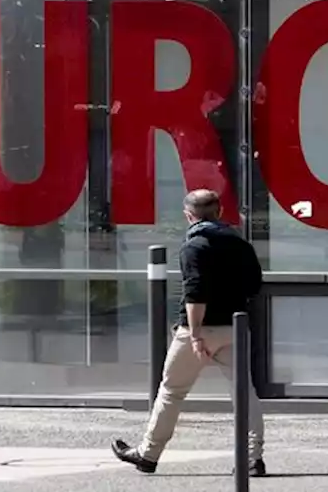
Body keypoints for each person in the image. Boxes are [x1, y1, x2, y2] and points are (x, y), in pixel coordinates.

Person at [111, 189, 266, 476]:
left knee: (172, 390)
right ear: (219, 212)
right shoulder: (239, 242)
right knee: (244, 392)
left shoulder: (195, 246)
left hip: (200, 329)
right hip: (236, 327)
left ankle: (148, 454)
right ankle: (252, 459)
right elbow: (255, 284)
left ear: (188, 215)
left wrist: (194, 335)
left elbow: (195, 293)